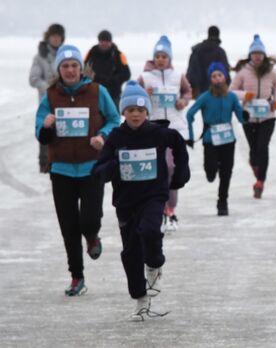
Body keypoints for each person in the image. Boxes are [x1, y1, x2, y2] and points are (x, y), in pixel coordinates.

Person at [93, 81, 190, 321]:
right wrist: (115, 165)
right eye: (130, 110)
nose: (135, 114)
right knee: (130, 253)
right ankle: (139, 299)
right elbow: (99, 169)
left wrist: (179, 176)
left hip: (153, 195)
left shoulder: (158, 133)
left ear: (147, 111)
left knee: (149, 230)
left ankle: (155, 263)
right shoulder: (116, 137)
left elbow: (178, 143)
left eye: (140, 110)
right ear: (123, 112)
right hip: (126, 201)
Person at [34, 44, 120, 296]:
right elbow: (41, 133)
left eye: (74, 66)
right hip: (61, 169)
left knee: (89, 219)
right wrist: (47, 125)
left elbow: (114, 120)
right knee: (68, 225)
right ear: (58, 69)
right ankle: (76, 276)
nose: (70, 70)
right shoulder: (50, 96)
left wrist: (102, 136)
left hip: (92, 166)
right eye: (65, 66)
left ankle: (92, 236)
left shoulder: (97, 91)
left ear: (81, 68)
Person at [138, 35, 192, 232]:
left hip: (175, 129)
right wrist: (145, 94)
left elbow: (188, 92)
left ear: (169, 58)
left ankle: (170, 208)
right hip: (152, 129)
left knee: (170, 168)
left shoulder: (178, 76)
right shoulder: (145, 77)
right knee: (156, 171)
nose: (161, 59)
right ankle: (156, 208)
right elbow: (133, 97)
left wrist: (183, 102)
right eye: (158, 56)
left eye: (164, 56)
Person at [186, 62, 246, 216]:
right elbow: (189, 114)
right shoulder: (205, 97)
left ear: (225, 77)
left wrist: (245, 116)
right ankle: (210, 170)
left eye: (220, 75)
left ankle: (222, 202)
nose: (217, 79)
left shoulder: (231, 97)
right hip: (210, 140)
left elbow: (240, 117)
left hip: (228, 140)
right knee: (211, 172)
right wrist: (191, 136)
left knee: (226, 172)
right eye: (214, 76)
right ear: (210, 79)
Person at [230, 34, 276, 199]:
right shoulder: (243, 72)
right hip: (249, 116)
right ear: (250, 55)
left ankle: (260, 181)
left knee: (263, 146)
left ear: (264, 55)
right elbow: (231, 91)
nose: (257, 56)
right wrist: (245, 95)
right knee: (254, 150)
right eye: (254, 53)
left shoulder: (272, 72)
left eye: (260, 53)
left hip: (268, 116)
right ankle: (254, 164)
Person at [29, 23, 65, 173]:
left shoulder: (66, 54)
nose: (56, 40)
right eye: (54, 37)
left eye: (59, 37)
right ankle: (44, 162)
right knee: (45, 129)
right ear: (48, 37)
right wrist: (49, 87)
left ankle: (61, 159)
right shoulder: (40, 57)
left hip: (65, 101)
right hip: (47, 100)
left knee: (63, 130)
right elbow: (33, 79)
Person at [84, 29, 131, 106]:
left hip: (113, 95)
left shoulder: (118, 55)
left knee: (114, 117)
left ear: (111, 42)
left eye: (107, 41)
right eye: (102, 41)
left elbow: (126, 74)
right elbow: (83, 70)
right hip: (94, 93)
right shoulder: (91, 53)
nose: (104, 44)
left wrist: (113, 80)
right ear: (99, 41)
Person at [186, 25, 232, 98]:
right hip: (218, 91)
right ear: (218, 35)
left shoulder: (197, 50)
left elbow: (191, 72)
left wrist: (192, 87)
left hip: (199, 91)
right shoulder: (220, 52)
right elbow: (226, 73)